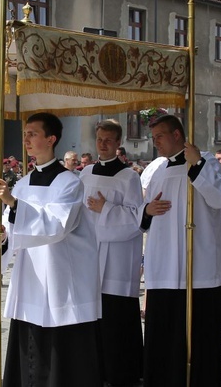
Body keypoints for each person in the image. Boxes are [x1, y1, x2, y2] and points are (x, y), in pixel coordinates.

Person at [0, 112, 101, 387]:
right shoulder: (24, 183)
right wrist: (0, 236)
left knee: (59, 354)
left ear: (51, 139)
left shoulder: (70, 183)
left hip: (62, 276)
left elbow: (56, 226)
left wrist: (14, 206)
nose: (26, 139)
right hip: (31, 277)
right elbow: (11, 227)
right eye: (25, 133)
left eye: (33, 134)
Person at [141, 114, 221, 386]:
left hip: (198, 266)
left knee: (197, 335)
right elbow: (142, 212)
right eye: (153, 137)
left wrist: (197, 165)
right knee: (165, 335)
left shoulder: (206, 160)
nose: (155, 142)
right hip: (164, 264)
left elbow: (219, 198)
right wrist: (146, 210)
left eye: (160, 136)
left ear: (178, 135)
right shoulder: (156, 169)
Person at [79, 119, 144, 386]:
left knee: (116, 319)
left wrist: (105, 209)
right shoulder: (85, 173)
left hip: (117, 259)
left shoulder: (129, 177)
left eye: (108, 140)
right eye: (99, 140)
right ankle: (94, 369)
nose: (102, 145)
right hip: (89, 254)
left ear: (118, 143)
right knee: (91, 317)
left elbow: (136, 219)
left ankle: (122, 372)